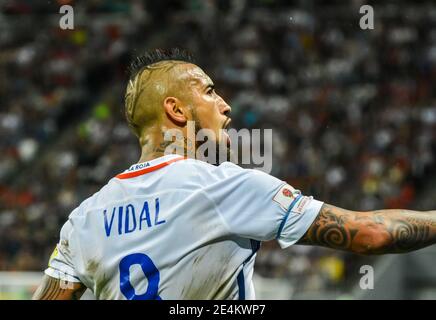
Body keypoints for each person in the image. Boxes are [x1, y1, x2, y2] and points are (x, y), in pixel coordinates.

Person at [33, 49, 436, 300]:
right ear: (176, 110)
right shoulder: (226, 186)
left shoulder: (85, 217)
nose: (225, 105)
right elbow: (373, 233)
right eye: (209, 92)